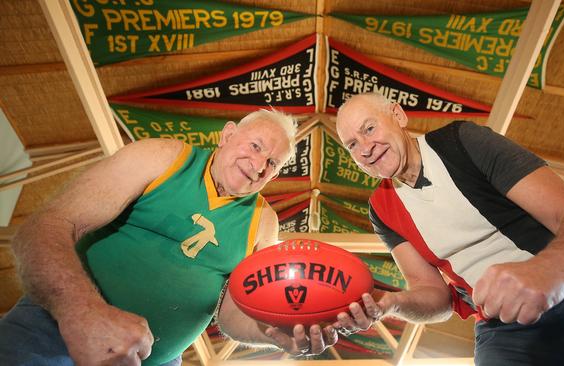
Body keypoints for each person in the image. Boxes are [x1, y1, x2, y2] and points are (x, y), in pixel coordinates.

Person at [332, 92, 564, 365]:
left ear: (398, 115)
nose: (365, 148)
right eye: (351, 145)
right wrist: (390, 304)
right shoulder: (381, 209)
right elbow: (436, 298)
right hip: (507, 328)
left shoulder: (463, 142)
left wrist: (546, 270)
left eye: (369, 128)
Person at [0, 109, 338, 366]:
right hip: (53, 331)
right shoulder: (163, 158)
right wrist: (82, 313)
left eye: (273, 164)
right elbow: (48, 225)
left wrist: (277, 333)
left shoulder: (264, 223)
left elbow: (234, 313)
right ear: (227, 134)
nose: (258, 165)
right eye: (255, 146)